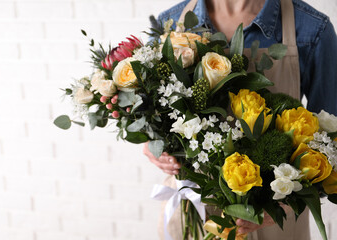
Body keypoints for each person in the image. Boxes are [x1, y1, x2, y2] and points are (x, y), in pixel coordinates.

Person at [144, 0, 337, 239]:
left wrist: (283, 205)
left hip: (275, 218)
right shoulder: (169, 25)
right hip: (195, 212)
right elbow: (153, 116)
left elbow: (331, 145)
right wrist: (154, 145)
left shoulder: (311, 29)